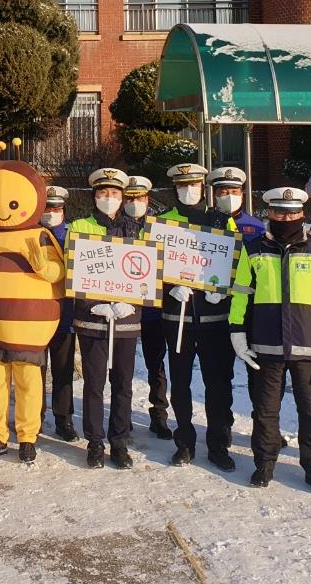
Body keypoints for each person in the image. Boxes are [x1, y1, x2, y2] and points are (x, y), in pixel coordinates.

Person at [229, 186, 311, 493]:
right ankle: (265, 464)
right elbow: (242, 294)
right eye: (280, 212)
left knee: (310, 411)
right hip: (266, 344)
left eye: (293, 212)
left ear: (303, 214)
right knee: (266, 410)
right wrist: (237, 332)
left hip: (307, 345)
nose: (287, 217)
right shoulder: (253, 248)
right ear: (269, 212)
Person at [0, 160, 65, 465]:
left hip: (28, 328)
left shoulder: (40, 236)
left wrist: (43, 267)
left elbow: (59, 274)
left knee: (28, 383)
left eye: (11, 203)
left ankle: (27, 437)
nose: (3, 211)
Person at [158, 162, 240, 471]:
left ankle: (218, 443)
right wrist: (169, 287)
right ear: (175, 189)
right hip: (177, 316)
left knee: (217, 383)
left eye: (194, 184)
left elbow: (235, 259)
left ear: (203, 187)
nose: (189, 190)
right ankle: (185, 442)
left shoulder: (220, 219)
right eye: (183, 185)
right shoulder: (163, 221)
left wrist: (225, 289)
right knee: (180, 382)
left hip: (213, 316)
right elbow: (149, 266)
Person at [68, 168, 142, 469]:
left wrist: (130, 301)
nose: (108, 198)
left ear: (122, 196)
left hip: (126, 318)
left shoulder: (137, 230)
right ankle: (95, 442)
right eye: (103, 193)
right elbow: (72, 270)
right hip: (92, 318)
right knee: (94, 383)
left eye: (113, 193)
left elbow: (146, 272)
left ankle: (120, 442)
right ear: (94, 196)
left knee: (123, 384)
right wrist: (92, 304)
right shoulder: (79, 227)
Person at [122, 175, 171, 440]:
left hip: (154, 308)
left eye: (139, 198)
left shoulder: (161, 225)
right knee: (122, 366)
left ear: (147, 198)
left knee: (156, 364)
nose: (134, 203)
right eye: (129, 198)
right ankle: (122, 414)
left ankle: (159, 414)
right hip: (125, 307)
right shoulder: (115, 225)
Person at [39, 186, 78, 442]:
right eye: (46, 208)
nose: (51, 213)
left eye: (56, 208)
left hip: (65, 313)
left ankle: (64, 420)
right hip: (36, 315)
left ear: (64, 209)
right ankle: (34, 418)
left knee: (63, 371)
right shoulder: (30, 234)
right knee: (35, 370)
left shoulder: (75, 235)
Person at [207, 166, 263, 244]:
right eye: (224, 192)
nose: (230, 196)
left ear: (242, 195)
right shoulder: (205, 221)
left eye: (234, 192)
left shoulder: (256, 225)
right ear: (214, 196)